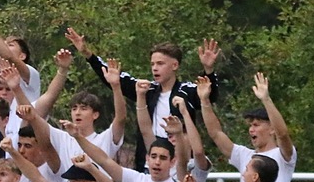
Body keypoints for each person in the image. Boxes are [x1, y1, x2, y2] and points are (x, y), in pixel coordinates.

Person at [70, 29, 220, 170]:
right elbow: (113, 77)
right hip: (149, 163)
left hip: (181, 161)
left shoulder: (186, 91)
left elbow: (208, 94)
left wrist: (209, 70)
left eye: (160, 64)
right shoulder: (147, 90)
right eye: (153, 64)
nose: (155, 68)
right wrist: (87, 54)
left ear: (175, 65)